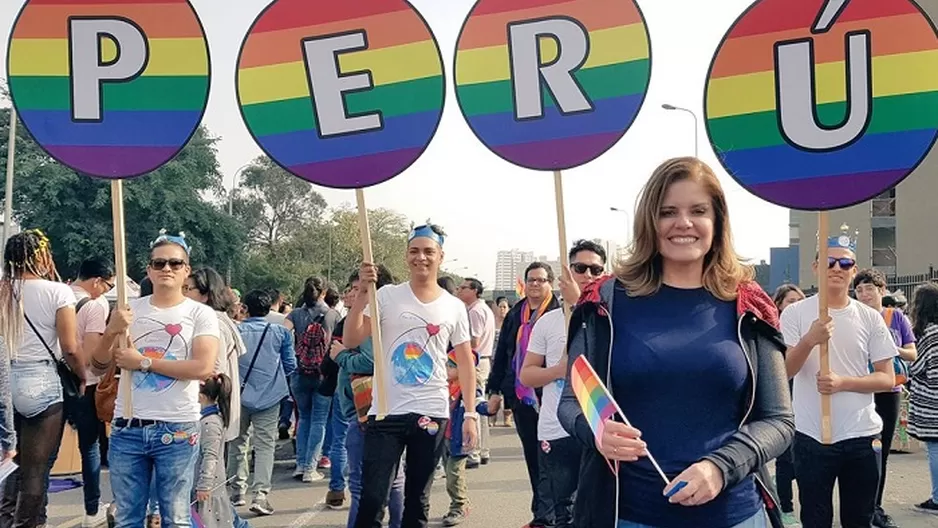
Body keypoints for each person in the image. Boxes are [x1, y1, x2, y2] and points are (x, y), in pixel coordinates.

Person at [557, 157, 794, 528]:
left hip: (735, 514)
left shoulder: (750, 305)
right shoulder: (603, 302)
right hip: (627, 515)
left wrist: (721, 466)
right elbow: (572, 402)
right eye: (668, 212)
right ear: (650, 221)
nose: (683, 223)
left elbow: (779, 420)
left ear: (717, 221)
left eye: (698, 211)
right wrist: (597, 432)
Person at [343, 222, 477, 528]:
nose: (421, 258)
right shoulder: (387, 295)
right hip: (386, 411)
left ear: (440, 256)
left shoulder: (454, 306)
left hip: (431, 411)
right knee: (373, 499)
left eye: (429, 251)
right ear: (406, 256)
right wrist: (364, 294)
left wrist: (470, 413)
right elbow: (351, 339)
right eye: (414, 251)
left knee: (418, 500)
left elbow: (466, 363)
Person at [91, 230, 220, 527]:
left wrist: (144, 362)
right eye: (159, 263)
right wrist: (112, 330)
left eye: (175, 264)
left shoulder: (200, 314)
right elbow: (97, 366)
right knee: (127, 519)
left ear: (186, 270)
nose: (166, 269)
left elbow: (202, 367)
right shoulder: (127, 310)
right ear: (148, 268)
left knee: (176, 518)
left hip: (177, 429)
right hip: (128, 427)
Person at [781, 229, 897, 528]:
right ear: (816, 267)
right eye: (830, 262)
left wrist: (844, 383)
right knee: (815, 519)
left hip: (861, 436)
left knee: (859, 520)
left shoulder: (869, 317)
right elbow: (784, 372)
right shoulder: (795, 313)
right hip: (811, 436)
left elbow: (888, 378)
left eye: (845, 264)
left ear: (854, 271)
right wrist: (810, 339)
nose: (837, 269)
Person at [520, 239, 606, 528]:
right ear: (567, 273)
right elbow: (527, 375)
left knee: (597, 512)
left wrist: (579, 304)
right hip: (557, 429)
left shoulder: (609, 318)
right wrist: (558, 370)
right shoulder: (547, 322)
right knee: (563, 514)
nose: (588, 276)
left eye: (596, 270)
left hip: (600, 428)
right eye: (581, 268)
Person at [0, 230, 82, 527]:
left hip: (3, 378)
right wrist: (82, 375)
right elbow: (70, 348)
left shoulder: (1, 289)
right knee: (34, 472)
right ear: (42, 256)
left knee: (8, 464)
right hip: (40, 381)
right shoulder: (58, 291)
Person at [486, 262, 561, 528]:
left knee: (551, 456)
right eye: (531, 280)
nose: (535, 284)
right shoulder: (517, 313)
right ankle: (542, 513)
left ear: (550, 283)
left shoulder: (560, 313)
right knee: (533, 456)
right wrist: (494, 390)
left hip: (552, 396)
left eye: (541, 280)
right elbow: (505, 355)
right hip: (521, 396)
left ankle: (549, 516)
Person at [331, 268, 405, 527]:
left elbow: (372, 360)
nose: (351, 294)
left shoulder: (371, 320)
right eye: (353, 289)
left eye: (358, 288)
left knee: (362, 484)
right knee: (394, 480)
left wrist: (340, 355)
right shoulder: (388, 316)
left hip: (365, 408)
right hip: (382, 405)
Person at [853, 268, 917, 528]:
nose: (865, 294)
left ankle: (875, 508)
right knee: (859, 452)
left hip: (888, 391)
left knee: (881, 452)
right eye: (859, 290)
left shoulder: (895, 317)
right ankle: (860, 507)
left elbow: (912, 353)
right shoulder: (853, 317)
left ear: (882, 290)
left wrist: (892, 349)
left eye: (870, 288)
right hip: (859, 389)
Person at [230, 290, 296, 515]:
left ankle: (236, 490)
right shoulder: (280, 332)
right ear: (269, 309)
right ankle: (260, 494)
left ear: (244, 308)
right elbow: (290, 364)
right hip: (270, 395)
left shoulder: (235, 330)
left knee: (238, 442)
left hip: (238, 395)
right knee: (265, 444)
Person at [285, 277, 340, 483]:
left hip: (300, 373)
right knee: (319, 419)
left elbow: (283, 333)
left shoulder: (295, 314)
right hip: (323, 374)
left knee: (304, 418)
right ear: (324, 292)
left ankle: (300, 464)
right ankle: (310, 467)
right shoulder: (333, 315)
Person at [185, 268, 246, 441]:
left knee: (210, 463)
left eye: (188, 289)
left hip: (210, 408)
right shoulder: (215, 319)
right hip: (210, 408)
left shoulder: (214, 323)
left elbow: (213, 368)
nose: (183, 295)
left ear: (206, 295)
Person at [771, 283, 805, 527]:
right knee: (785, 455)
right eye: (791, 300)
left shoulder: (808, 328)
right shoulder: (773, 330)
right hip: (784, 394)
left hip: (807, 396)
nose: (796, 304)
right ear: (780, 304)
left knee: (803, 456)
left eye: (799, 300)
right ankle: (785, 507)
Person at [456, 277, 495, 468]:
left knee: (473, 406)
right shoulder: (479, 309)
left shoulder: (475, 311)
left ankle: (474, 452)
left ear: (475, 291)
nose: (459, 290)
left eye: (464, 288)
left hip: (476, 362)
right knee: (480, 407)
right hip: (482, 361)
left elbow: (474, 342)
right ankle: (482, 450)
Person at [907, 281, 938, 513]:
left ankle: (937, 498)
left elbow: (918, 366)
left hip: (932, 402)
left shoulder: (929, 333)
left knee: (934, 449)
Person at [194, 373, 234, 528]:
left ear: (201, 396)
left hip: (208, 487)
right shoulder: (208, 419)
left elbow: (210, 456)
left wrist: (204, 485)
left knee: (210, 522)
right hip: (207, 484)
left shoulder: (209, 423)